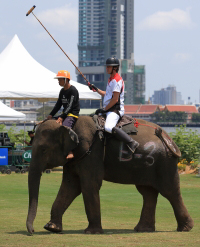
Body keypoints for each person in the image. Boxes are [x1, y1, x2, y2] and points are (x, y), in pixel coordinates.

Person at [89, 57, 139, 153]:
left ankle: (131, 142)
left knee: (108, 127)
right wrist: (96, 89)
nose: (106, 68)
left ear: (115, 68)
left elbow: (115, 99)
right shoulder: (110, 79)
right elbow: (107, 94)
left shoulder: (117, 80)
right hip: (109, 109)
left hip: (115, 110)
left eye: (109, 67)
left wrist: (104, 109)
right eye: (107, 66)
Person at [47, 70, 80, 159]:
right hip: (65, 114)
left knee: (64, 129)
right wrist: (51, 115)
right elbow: (58, 104)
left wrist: (62, 116)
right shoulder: (62, 91)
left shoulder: (73, 90)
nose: (58, 81)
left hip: (72, 114)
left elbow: (70, 106)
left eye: (60, 79)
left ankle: (70, 151)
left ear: (66, 80)